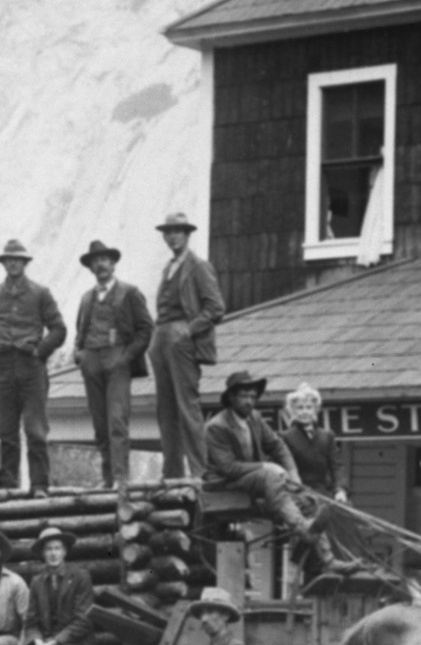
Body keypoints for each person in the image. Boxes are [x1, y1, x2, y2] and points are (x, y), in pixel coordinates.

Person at [205, 370, 338, 563]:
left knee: (308, 500)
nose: (249, 401)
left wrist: (293, 474)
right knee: (269, 475)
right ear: (231, 397)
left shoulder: (255, 418)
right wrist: (266, 465)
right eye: (244, 396)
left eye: (253, 396)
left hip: (252, 480)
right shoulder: (217, 426)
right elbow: (228, 468)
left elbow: (277, 446)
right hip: (225, 483)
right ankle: (302, 528)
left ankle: (327, 560)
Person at [0, 238, 67, 494]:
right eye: (9, 260)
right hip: (4, 367)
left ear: (25, 263)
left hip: (31, 367)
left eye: (18, 260)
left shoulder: (40, 293)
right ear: (3, 264)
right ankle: (9, 488)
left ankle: (39, 485)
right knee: (7, 432)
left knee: (35, 430)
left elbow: (58, 329)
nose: (13, 264)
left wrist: (40, 351)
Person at [148, 213, 225, 478]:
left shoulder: (198, 266)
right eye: (168, 233)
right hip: (161, 339)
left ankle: (200, 471)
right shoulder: (168, 268)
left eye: (177, 231)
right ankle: (172, 473)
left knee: (187, 407)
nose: (172, 237)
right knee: (165, 410)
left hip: (182, 340)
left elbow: (216, 307)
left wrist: (189, 330)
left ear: (187, 234)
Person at [73, 238, 154, 488]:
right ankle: (108, 479)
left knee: (117, 420)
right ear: (91, 268)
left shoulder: (129, 292)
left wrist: (126, 357)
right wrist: (79, 353)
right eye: (95, 261)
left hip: (117, 360)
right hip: (92, 362)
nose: (100, 265)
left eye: (104, 260)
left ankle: (120, 478)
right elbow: (80, 330)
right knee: (99, 424)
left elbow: (146, 328)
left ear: (113, 264)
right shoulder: (86, 298)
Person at [281, 383, 346, 501]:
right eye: (300, 408)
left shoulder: (327, 436)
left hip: (323, 493)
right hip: (297, 493)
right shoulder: (285, 437)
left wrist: (340, 490)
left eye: (308, 407)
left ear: (316, 409)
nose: (305, 412)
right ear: (293, 411)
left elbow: (336, 466)